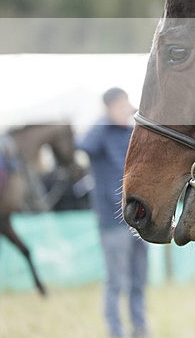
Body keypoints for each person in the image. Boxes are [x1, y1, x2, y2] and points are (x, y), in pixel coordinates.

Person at [78, 87, 148, 338]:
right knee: (116, 282)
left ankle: (140, 329)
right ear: (108, 109)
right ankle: (116, 332)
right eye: (120, 105)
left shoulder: (132, 133)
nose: (125, 109)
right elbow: (82, 146)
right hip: (112, 221)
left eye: (126, 103)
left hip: (139, 220)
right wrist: (105, 119)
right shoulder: (100, 134)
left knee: (139, 280)